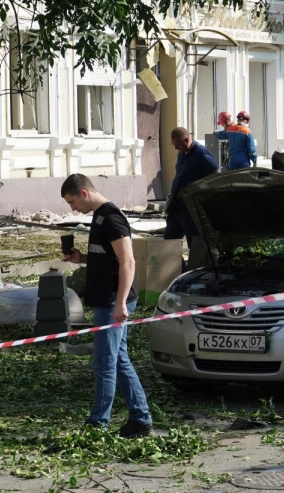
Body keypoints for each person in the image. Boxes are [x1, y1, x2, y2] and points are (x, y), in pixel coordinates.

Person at [59, 174, 153, 437]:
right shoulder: (99, 217)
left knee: (104, 362)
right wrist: (82, 259)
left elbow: (128, 262)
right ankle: (141, 419)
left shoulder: (111, 218)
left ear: (84, 193)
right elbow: (109, 259)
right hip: (108, 298)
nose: (72, 207)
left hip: (113, 300)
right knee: (119, 359)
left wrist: (121, 303)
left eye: (72, 201)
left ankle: (97, 425)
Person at [165, 127, 217, 269]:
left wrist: (203, 196)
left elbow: (214, 175)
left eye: (177, 145)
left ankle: (193, 272)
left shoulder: (201, 153)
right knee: (168, 241)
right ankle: (180, 270)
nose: (175, 148)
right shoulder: (182, 153)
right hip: (176, 206)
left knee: (194, 243)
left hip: (190, 207)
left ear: (186, 140)